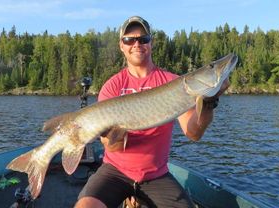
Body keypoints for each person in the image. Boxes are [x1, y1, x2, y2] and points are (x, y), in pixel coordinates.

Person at [74, 16, 229, 208]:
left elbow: (194, 133)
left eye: (143, 39)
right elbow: (112, 148)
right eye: (129, 40)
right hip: (115, 171)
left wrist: (209, 101)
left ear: (151, 43)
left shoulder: (174, 83)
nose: (136, 44)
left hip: (156, 175)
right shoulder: (112, 87)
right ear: (121, 46)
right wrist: (111, 136)